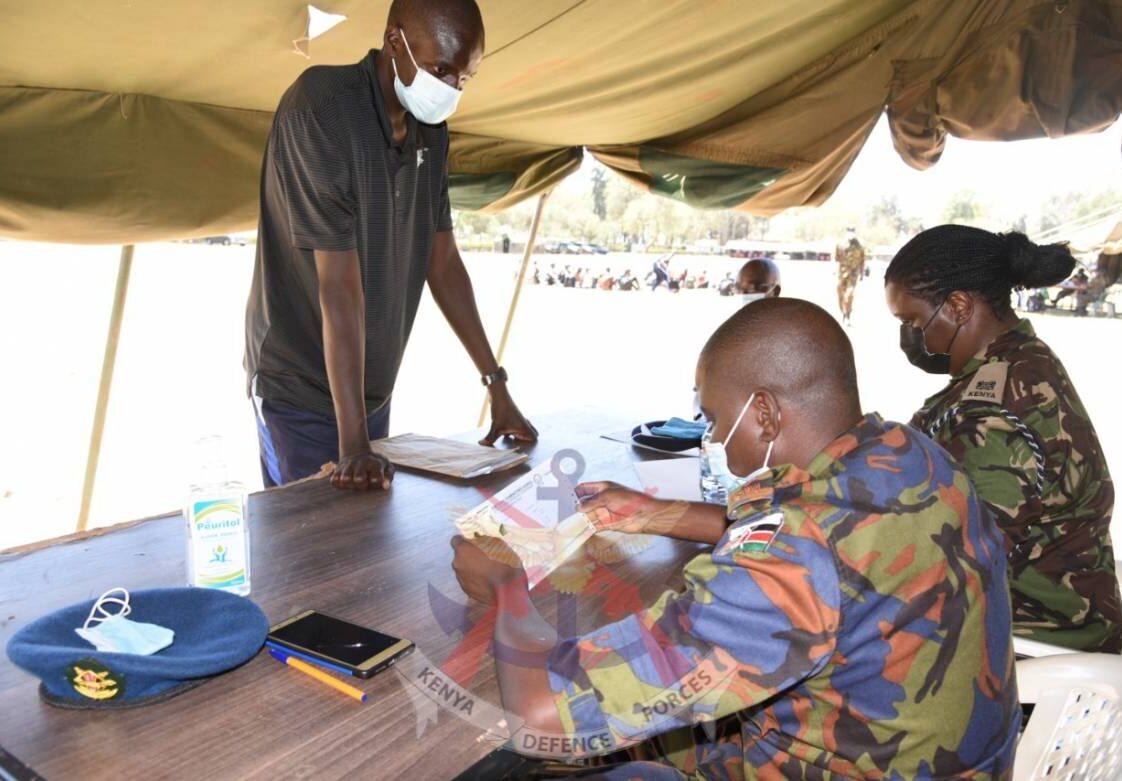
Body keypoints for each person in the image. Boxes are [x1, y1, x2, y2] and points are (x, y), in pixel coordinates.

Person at [452, 298, 1019, 778]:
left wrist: (506, 584)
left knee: (539, 759)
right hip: (938, 758)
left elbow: (542, 714)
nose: (715, 436)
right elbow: (830, 538)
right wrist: (660, 514)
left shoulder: (793, 554)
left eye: (715, 418)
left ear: (765, 414)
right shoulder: (911, 455)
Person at [244, 0, 537, 491]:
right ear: (395, 40)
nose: (451, 89)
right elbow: (339, 289)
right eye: (441, 70)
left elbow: (443, 263)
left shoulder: (431, 132)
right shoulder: (322, 108)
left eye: (464, 78)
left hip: (369, 395)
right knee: (312, 532)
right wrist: (354, 446)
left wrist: (497, 387)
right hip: (297, 392)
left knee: (364, 528)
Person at [885, 225, 1122, 652]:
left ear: (958, 306)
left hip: (1033, 643)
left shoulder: (993, 412)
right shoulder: (1020, 359)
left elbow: (960, 558)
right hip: (1052, 622)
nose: (911, 335)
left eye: (912, 321)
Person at [834, 227, 865, 325]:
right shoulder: (840, 245)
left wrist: (862, 273)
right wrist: (834, 271)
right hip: (841, 274)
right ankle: (843, 312)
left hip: (853, 275)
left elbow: (863, 260)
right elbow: (836, 259)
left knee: (849, 295)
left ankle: (847, 315)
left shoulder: (859, 246)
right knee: (840, 296)